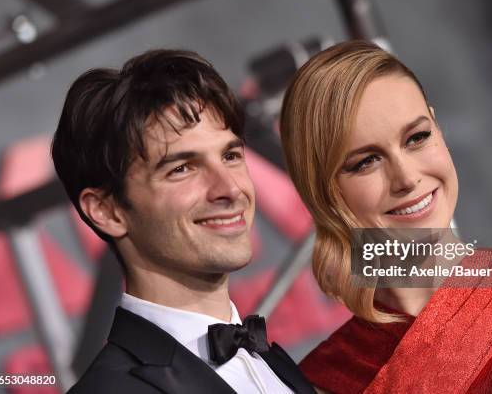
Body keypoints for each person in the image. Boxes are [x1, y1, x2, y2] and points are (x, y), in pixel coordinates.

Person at [279, 40, 492, 393]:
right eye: (366, 161)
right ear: (322, 191)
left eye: (416, 138)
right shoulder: (322, 380)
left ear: (438, 128)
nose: (407, 178)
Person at [52, 49, 315, 394]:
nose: (231, 188)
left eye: (231, 156)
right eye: (182, 169)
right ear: (107, 211)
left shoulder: (276, 364)